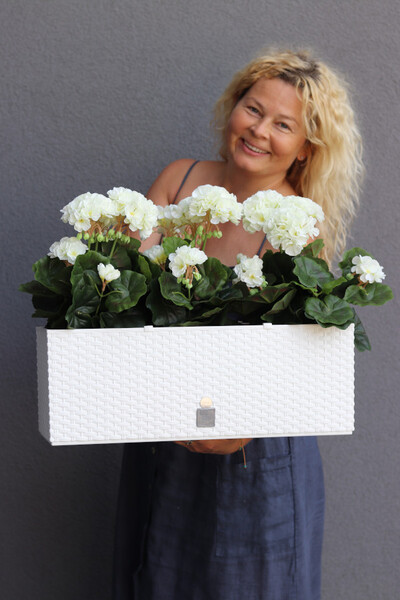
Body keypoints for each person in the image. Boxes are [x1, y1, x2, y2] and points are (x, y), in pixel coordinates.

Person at [113, 48, 363, 599]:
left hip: (251, 457)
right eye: (253, 109)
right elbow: (126, 290)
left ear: (304, 149)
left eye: (283, 125)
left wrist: (239, 425)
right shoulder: (180, 180)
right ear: (233, 107)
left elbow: (299, 360)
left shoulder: (298, 225)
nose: (259, 131)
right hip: (166, 440)